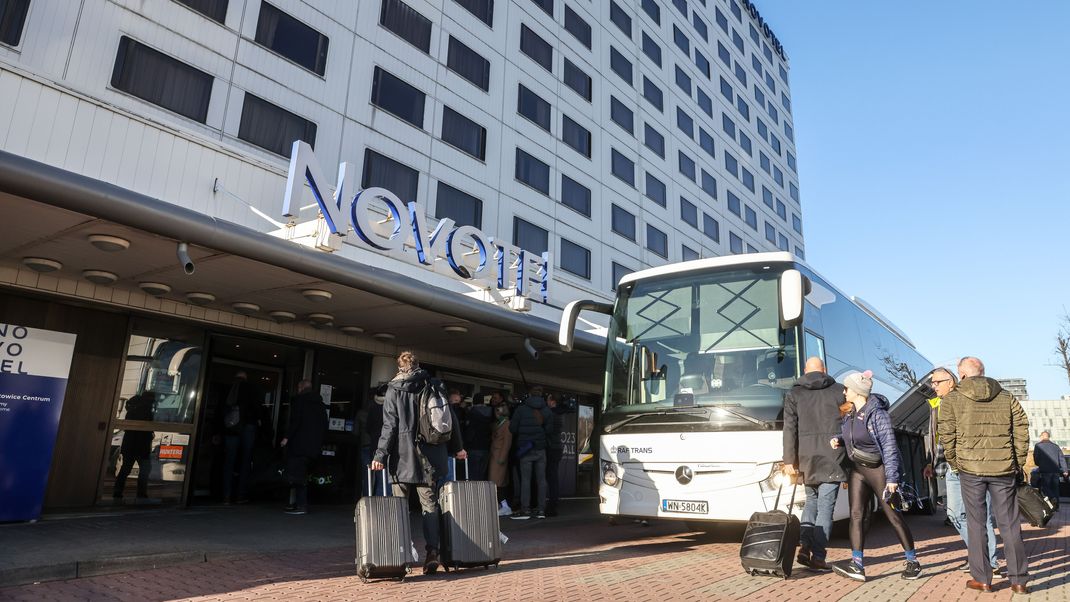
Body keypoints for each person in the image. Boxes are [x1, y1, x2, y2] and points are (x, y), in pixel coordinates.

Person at [939, 356, 1030, 594]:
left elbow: (946, 434)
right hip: (1003, 469)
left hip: (970, 470)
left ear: (963, 375)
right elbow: (1022, 429)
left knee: (976, 523)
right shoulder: (1007, 397)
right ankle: (1019, 580)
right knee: (1010, 524)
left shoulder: (952, 400)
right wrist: (1018, 461)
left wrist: (955, 462)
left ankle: (983, 579)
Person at [371, 351, 466, 574]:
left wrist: (379, 455)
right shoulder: (433, 385)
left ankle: (401, 555)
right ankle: (432, 552)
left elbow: (390, 427)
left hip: (401, 457)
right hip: (429, 457)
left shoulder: (393, 389)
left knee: (399, 507)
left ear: (399, 367)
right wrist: (458, 448)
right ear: (418, 365)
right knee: (430, 506)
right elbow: (451, 420)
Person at [830, 370, 921, 582]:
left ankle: (913, 562)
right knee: (856, 515)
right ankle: (857, 564)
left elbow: (889, 446)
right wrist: (839, 440)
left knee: (893, 516)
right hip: (858, 470)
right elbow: (852, 435)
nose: (844, 392)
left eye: (847, 388)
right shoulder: (852, 412)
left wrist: (892, 479)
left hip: (878, 470)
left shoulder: (877, 414)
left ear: (858, 391)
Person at [923, 368, 1002, 575]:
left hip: (974, 466)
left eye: (937, 382)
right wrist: (933, 462)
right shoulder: (937, 405)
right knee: (956, 514)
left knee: (982, 516)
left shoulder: (965, 400)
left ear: (951, 382)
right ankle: (979, 556)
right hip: (952, 467)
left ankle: (989, 562)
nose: (934, 386)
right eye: (933, 383)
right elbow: (940, 438)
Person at [781, 357, 847, 571]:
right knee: (825, 508)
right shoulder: (839, 390)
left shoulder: (794, 393)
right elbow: (850, 419)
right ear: (824, 370)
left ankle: (805, 546)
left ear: (805, 371)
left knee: (811, 503)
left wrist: (789, 460)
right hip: (833, 455)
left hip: (806, 458)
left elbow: (789, 430)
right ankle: (818, 556)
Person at [280, 379, 328, 515]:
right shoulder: (320, 404)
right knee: (303, 474)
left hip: (299, 445)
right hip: (314, 446)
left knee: (297, 475)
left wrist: (286, 437)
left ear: (300, 388)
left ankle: (301, 505)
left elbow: (296, 421)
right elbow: (325, 424)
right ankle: (297, 503)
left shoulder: (299, 401)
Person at [509, 386, 552, 520]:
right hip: (540, 449)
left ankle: (525, 509)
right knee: (541, 480)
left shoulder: (521, 409)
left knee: (526, 480)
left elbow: (512, 428)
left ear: (529, 395)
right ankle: (541, 510)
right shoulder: (546, 410)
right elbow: (549, 430)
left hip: (526, 448)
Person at [222, 371, 260, 504]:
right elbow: (257, 408)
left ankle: (226, 495)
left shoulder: (229, 388)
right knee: (245, 461)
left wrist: (218, 431)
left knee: (229, 461)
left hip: (231, 428)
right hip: (248, 426)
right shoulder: (251, 389)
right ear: (246, 378)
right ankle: (241, 494)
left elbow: (221, 410)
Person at [113, 391, 156, 501]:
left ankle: (117, 491)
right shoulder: (146, 410)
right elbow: (146, 429)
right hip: (141, 446)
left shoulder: (133, 409)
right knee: (145, 470)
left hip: (130, 445)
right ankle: (141, 494)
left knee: (125, 469)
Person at [360, 385, 387, 497]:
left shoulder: (370, 409)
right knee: (382, 478)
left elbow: (368, 428)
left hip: (371, 445)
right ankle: (380, 504)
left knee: (368, 476)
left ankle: (367, 500)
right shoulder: (388, 409)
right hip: (384, 446)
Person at [489, 402, 514, 516]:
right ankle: (501, 505)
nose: (496, 413)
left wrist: (502, 457)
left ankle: (504, 506)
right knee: (496, 482)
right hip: (495, 456)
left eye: (497, 411)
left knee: (498, 482)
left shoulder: (507, 424)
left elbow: (507, 443)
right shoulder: (499, 423)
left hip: (499, 457)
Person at [1033, 430, 1068, 508]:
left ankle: (1051, 503)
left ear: (1042, 436)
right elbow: (1061, 459)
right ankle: (1057, 506)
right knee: (1055, 488)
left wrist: (1039, 464)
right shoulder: (1056, 446)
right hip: (1056, 471)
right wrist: (1065, 470)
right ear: (1048, 437)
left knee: (1046, 488)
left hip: (1045, 471)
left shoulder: (1038, 446)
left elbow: (1036, 458)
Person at [463, 394, 493, 481]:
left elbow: (468, 430)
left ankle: (474, 494)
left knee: (472, 475)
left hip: (473, 446)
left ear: (474, 401)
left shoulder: (471, 412)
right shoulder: (491, 413)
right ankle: (481, 493)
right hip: (486, 447)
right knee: (482, 474)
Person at [545, 393, 565, 517]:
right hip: (557, 448)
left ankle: (552, 506)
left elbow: (547, 430)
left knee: (551, 478)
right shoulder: (559, 414)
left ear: (552, 401)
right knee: (553, 477)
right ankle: (553, 503)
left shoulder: (551, 415)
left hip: (551, 448)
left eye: (547, 400)